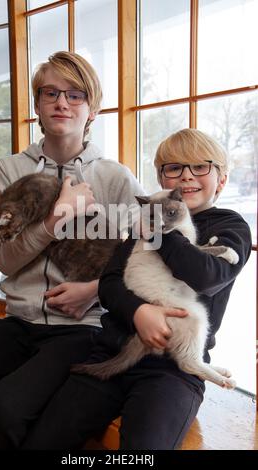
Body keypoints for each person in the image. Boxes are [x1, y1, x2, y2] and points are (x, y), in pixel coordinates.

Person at [20, 128, 252, 450]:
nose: (186, 177)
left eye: (200, 167)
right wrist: (139, 312)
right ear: (162, 179)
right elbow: (111, 283)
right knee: (45, 439)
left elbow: (206, 276)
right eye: (174, 168)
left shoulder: (231, 226)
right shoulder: (144, 220)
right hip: (115, 349)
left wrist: (161, 227)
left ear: (222, 179)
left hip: (172, 369)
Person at [0, 51, 145, 450]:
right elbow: (4, 258)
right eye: (50, 94)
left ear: (91, 109)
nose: (62, 102)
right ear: (38, 107)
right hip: (17, 320)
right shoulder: (11, 169)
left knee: (0, 411)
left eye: (75, 95)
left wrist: (96, 289)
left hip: (80, 329)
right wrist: (56, 219)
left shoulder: (115, 177)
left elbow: (147, 255)